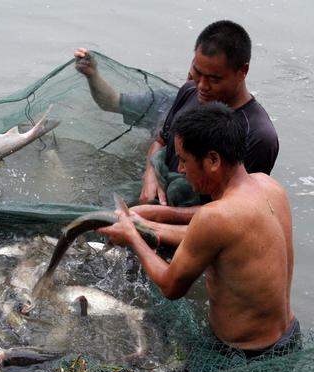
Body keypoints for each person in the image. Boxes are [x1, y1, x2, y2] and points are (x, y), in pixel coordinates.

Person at [99, 103, 299, 359]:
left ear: (213, 160)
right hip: (289, 338)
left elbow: (171, 286)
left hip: (243, 356)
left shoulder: (214, 217)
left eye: (184, 160)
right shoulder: (270, 186)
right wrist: (147, 225)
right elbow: (216, 240)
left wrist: (131, 236)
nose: (180, 169)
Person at [76, 21, 279, 244]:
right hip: (153, 206)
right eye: (197, 73)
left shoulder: (259, 136)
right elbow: (161, 140)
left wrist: (159, 215)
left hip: (195, 235)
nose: (202, 86)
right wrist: (150, 174)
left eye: (214, 79)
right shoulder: (189, 92)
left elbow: (238, 212)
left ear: (243, 71)